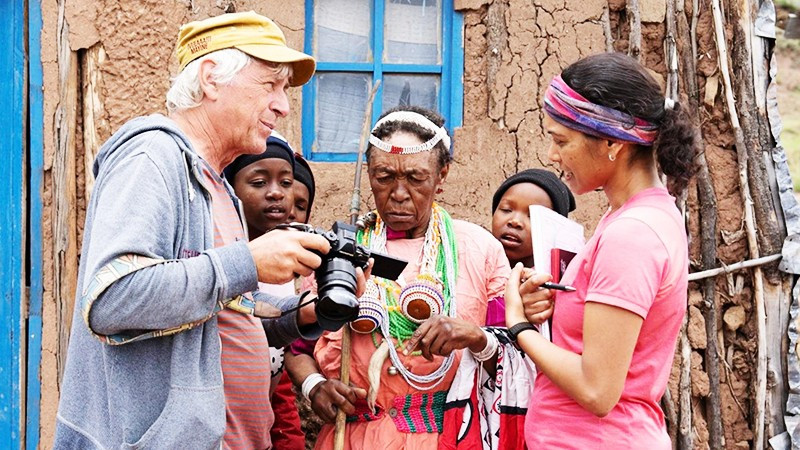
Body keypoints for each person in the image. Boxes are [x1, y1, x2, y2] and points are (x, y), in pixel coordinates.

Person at [53, 12, 370, 449]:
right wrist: (248, 262)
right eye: (270, 85)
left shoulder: (217, 186)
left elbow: (226, 318)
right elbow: (110, 299)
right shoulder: (153, 156)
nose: (283, 105)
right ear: (211, 79)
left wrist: (307, 312)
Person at [285, 106, 510, 449]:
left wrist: (474, 337)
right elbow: (296, 344)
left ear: (442, 175)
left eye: (416, 178)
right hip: (353, 438)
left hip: (448, 438)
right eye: (384, 176)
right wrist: (313, 384)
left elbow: (511, 356)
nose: (400, 193)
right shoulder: (341, 250)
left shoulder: (479, 249)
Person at [504, 52, 698, 448]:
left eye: (561, 141)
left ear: (612, 142)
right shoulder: (639, 215)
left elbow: (597, 390)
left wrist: (518, 326)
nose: (552, 156)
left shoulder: (632, 236)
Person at [224, 132, 307, 449]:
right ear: (230, 191)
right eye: (259, 183)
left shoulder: (286, 274)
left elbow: (278, 381)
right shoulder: (221, 264)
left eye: (286, 183)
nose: (276, 194)